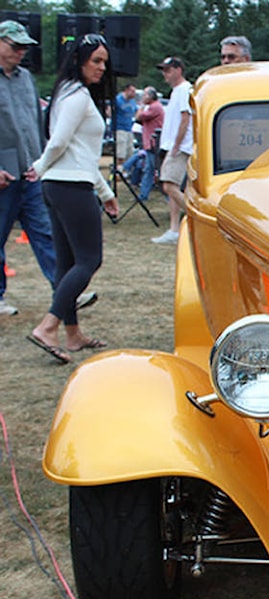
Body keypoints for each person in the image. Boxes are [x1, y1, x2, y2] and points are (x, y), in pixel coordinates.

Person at [25, 33, 118, 363]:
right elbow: (60, 141)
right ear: (79, 60)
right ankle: (48, 326)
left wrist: (105, 193)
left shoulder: (67, 93)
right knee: (89, 260)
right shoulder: (77, 97)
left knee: (66, 264)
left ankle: (73, 333)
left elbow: (79, 152)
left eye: (104, 61)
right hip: (68, 187)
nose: (102, 68)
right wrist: (38, 166)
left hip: (60, 185)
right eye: (96, 61)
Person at [0, 21, 96, 317]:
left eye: (24, 48)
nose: (21, 52)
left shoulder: (26, 78)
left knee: (45, 232)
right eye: (16, 46)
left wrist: (43, 163)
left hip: (31, 169)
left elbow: (40, 124)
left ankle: (65, 290)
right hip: (3, 173)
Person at [152, 56, 192, 246]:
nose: (165, 74)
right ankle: (174, 228)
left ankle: (194, 219)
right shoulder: (177, 90)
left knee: (169, 185)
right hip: (172, 145)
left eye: (168, 70)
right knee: (172, 187)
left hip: (180, 146)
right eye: (163, 70)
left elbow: (186, 117)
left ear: (178, 70)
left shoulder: (185, 89)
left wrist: (176, 145)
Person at [121, 85, 164, 201]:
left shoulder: (153, 107)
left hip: (153, 143)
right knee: (150, 169)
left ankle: (146, 195)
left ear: (151, 96)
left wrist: (141, 105)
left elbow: (138, 116)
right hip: (151, 143)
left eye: (145, 95)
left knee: (151, 170)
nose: (143, 97)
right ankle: (144, 194)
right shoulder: (154, 106)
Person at [113, 82, 137, 162]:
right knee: (121, 153)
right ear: (126, 90)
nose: (134, 94)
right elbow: (110, 111)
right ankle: (119, 170)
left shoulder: (132, 101)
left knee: (130, 153)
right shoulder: (118, 100)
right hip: (120, 128)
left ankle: (127, 171)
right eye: (132, 91)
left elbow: (137, 111)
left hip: (129, 128)